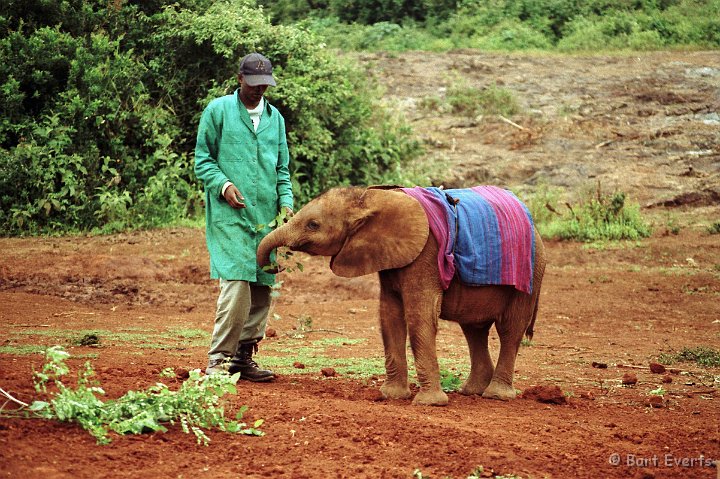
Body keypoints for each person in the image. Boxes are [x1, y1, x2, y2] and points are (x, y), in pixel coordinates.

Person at [194, 52, 294, 380]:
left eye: (264, 85)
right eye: (253, 83)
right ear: (239, 79)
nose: (258, 90)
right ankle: (218, 361)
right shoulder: (218, 110)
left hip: (265, 217)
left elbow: (282, 169)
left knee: (264, 282)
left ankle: (243, 357)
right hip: (229, 214)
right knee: (237, 280)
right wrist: (223, 185)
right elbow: (202, 159)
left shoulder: (275, 118)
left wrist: (286, 205)